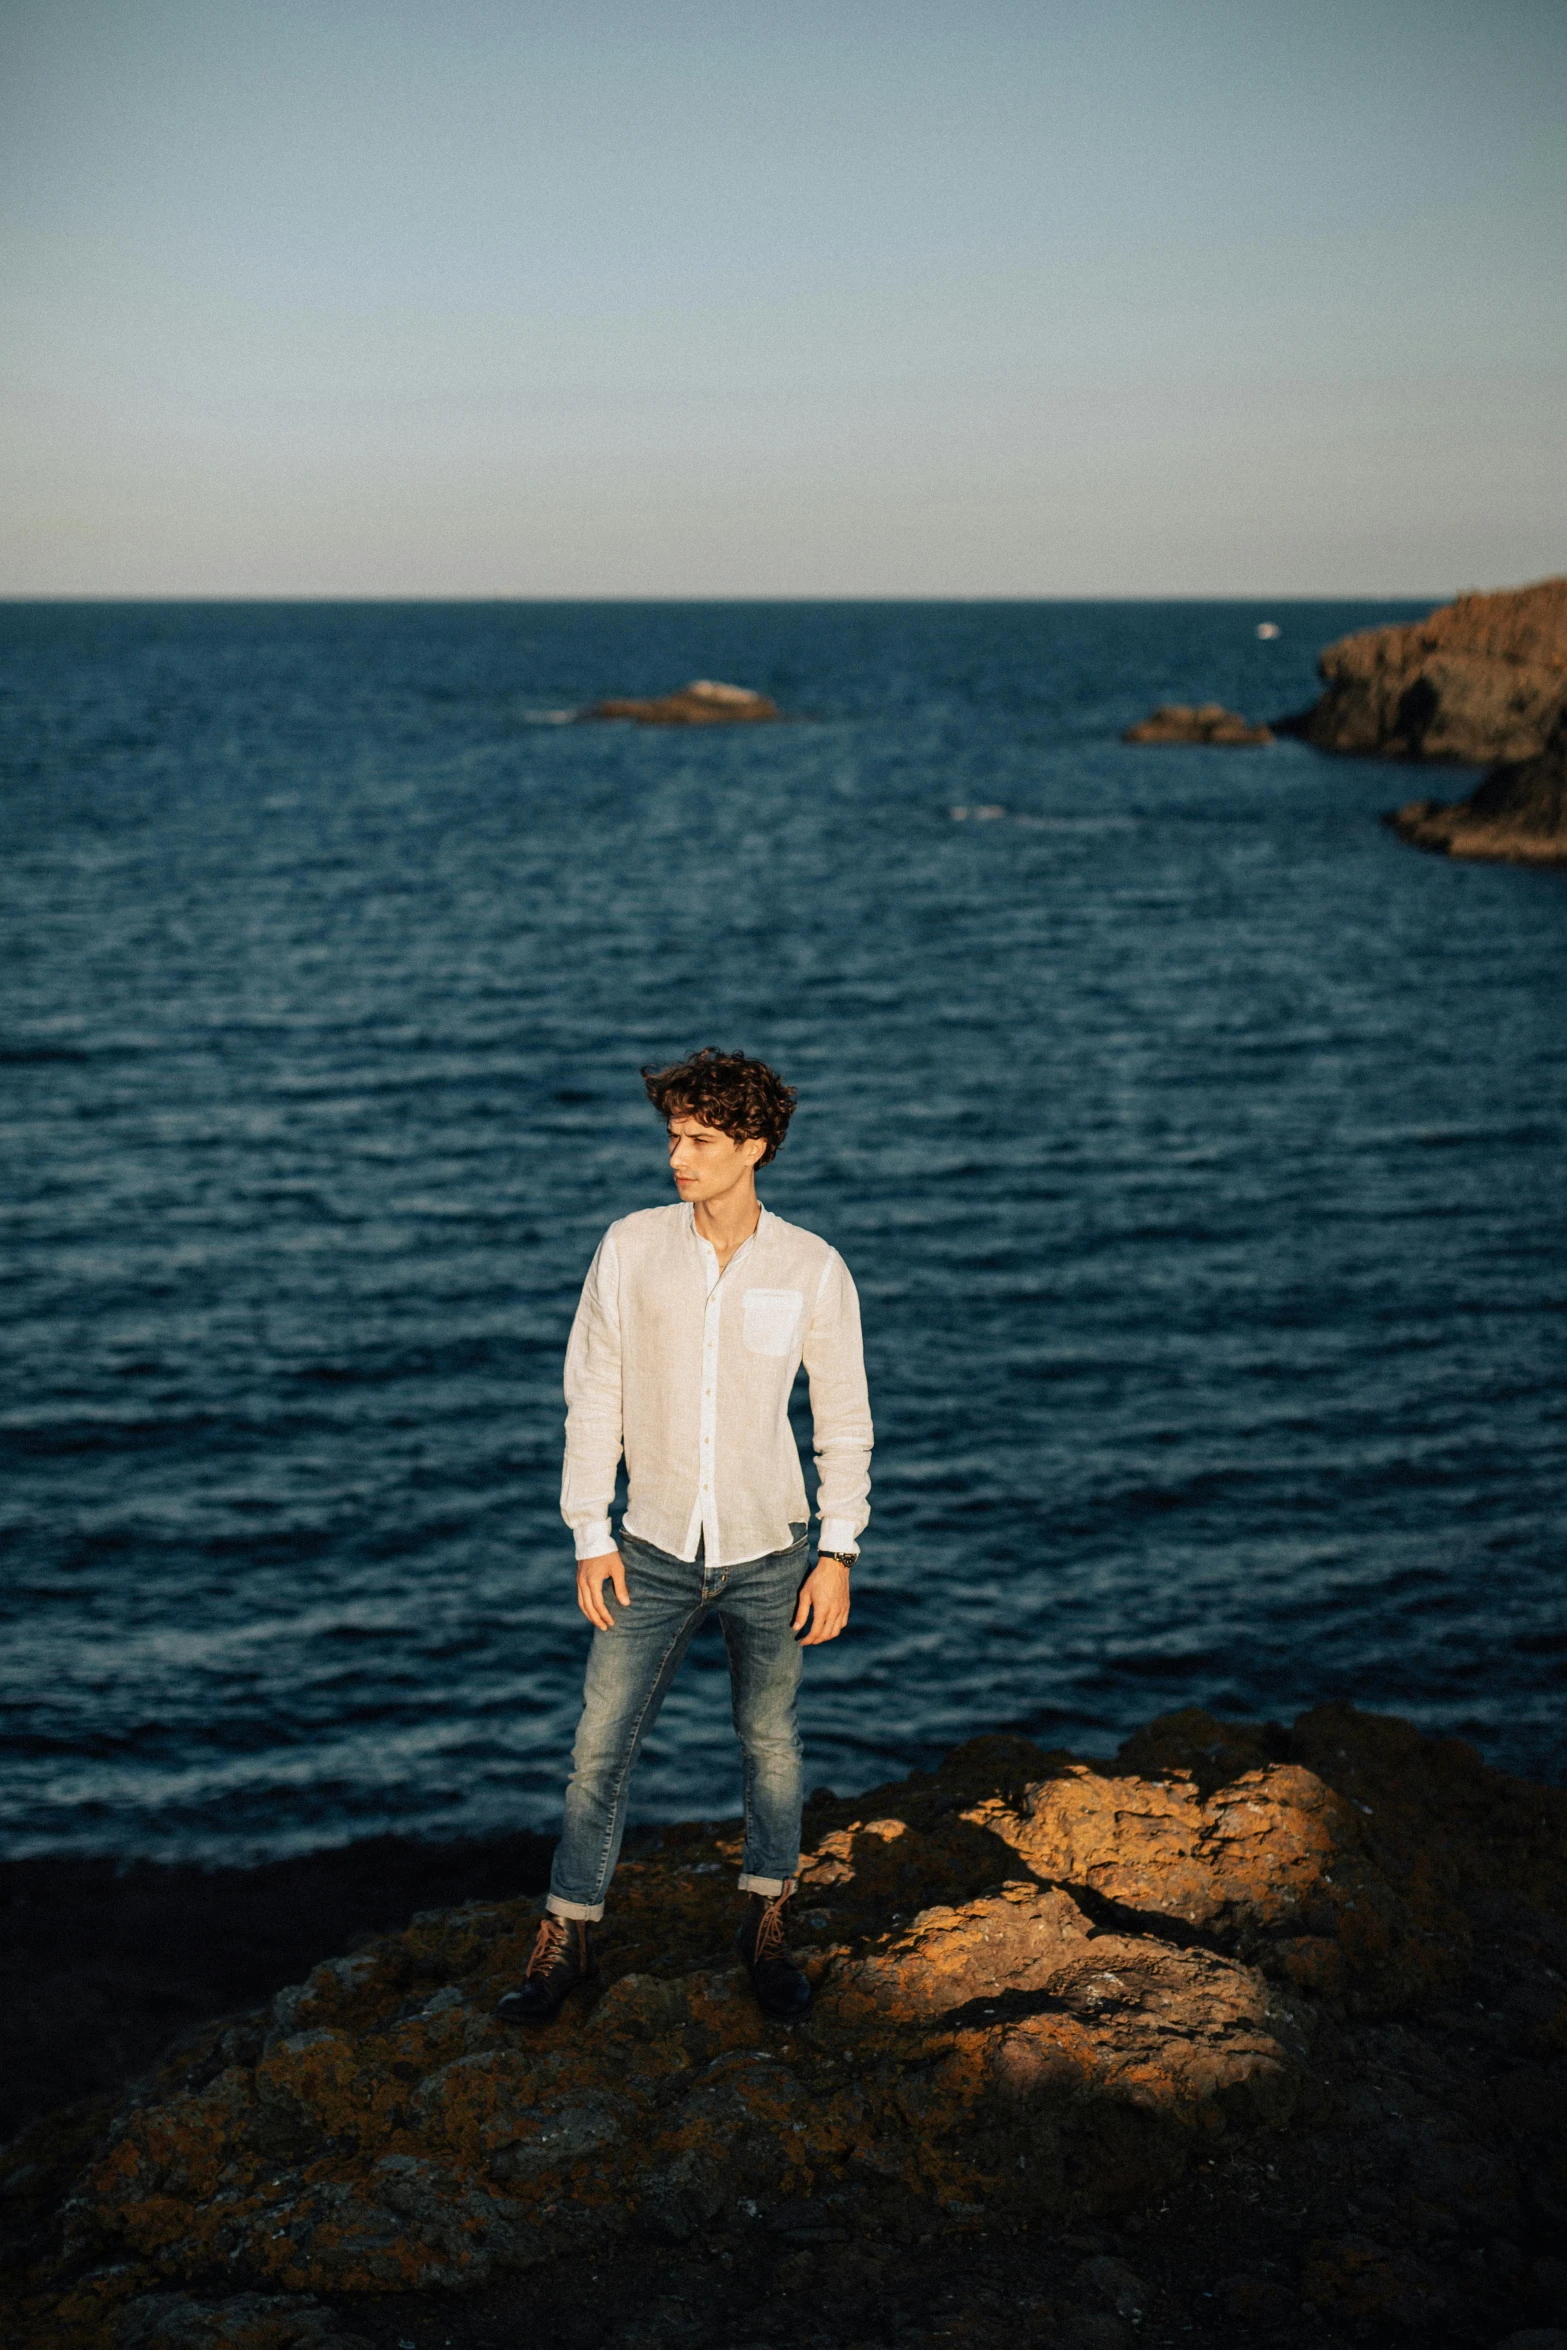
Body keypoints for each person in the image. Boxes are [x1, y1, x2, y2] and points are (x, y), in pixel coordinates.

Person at [498, 1047, 873, 2025]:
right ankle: (565, 1935)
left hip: (770, 1549)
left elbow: (843, 1419)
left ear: (752, 1145)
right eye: (672, 1135)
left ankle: (767, 1922)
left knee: (770, 1744)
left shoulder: (812, 1267)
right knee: (597, 1748)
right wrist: (589, 1530)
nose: (678, 1155)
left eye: (700, 1138)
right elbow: (594, 1396)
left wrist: (838, 1551)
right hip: (652, 1546)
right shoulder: (630, 1247)